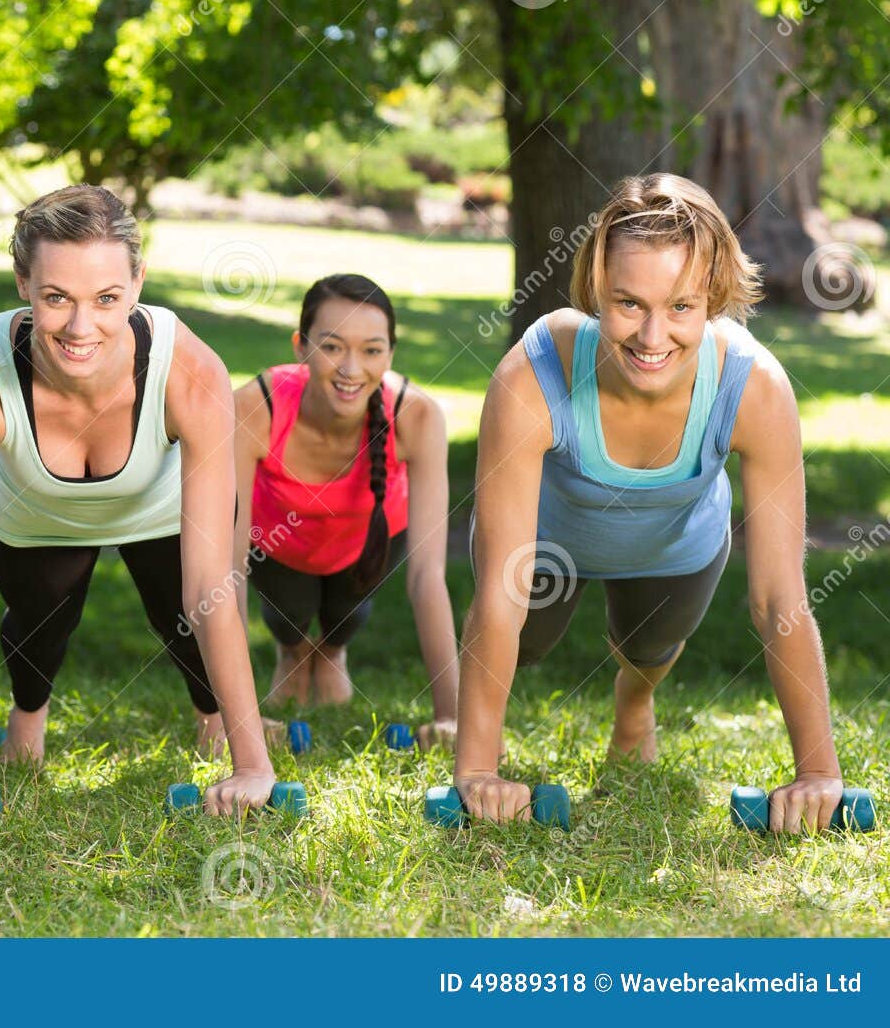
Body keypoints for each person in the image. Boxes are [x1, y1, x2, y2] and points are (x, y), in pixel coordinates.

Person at [456, 173, 846, 832]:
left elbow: (779, 596)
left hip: (677, 546)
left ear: (714, 299)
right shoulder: (535, 371)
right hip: (546, 546)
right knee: (525, 636)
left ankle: (634, 704)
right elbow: (501, 588)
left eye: (682, 307)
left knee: (651, 648)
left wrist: (818, 771)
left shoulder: (755, 388)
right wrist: (476, 769)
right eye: (628, 303)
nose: (652, 335)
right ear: (596, 292)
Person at [0, 185, 276, 816]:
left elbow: (213, 585)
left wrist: (254, 767)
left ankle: (217, 721)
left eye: (107, 299)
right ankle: (28, 715)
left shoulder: (194, 373)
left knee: (183, 616)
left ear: (138, 283)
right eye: (56, 297)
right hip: (32, 512)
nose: (80, 326)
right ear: (22, 283)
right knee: (39, 625)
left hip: (156, 504)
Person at [234, 274, 459, 747]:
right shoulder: (256, 406)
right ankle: (294, 652)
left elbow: (427, 578)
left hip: (369, 541)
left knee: (344, 619)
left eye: (372, 350)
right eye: (332, 347)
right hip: (276, 543)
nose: (351, 369)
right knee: (288, 618)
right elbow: (224, 571)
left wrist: (454, 717)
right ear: (301, 347)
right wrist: (231, 720)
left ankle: (333, 652)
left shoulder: (417, 416)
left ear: (391, 354)